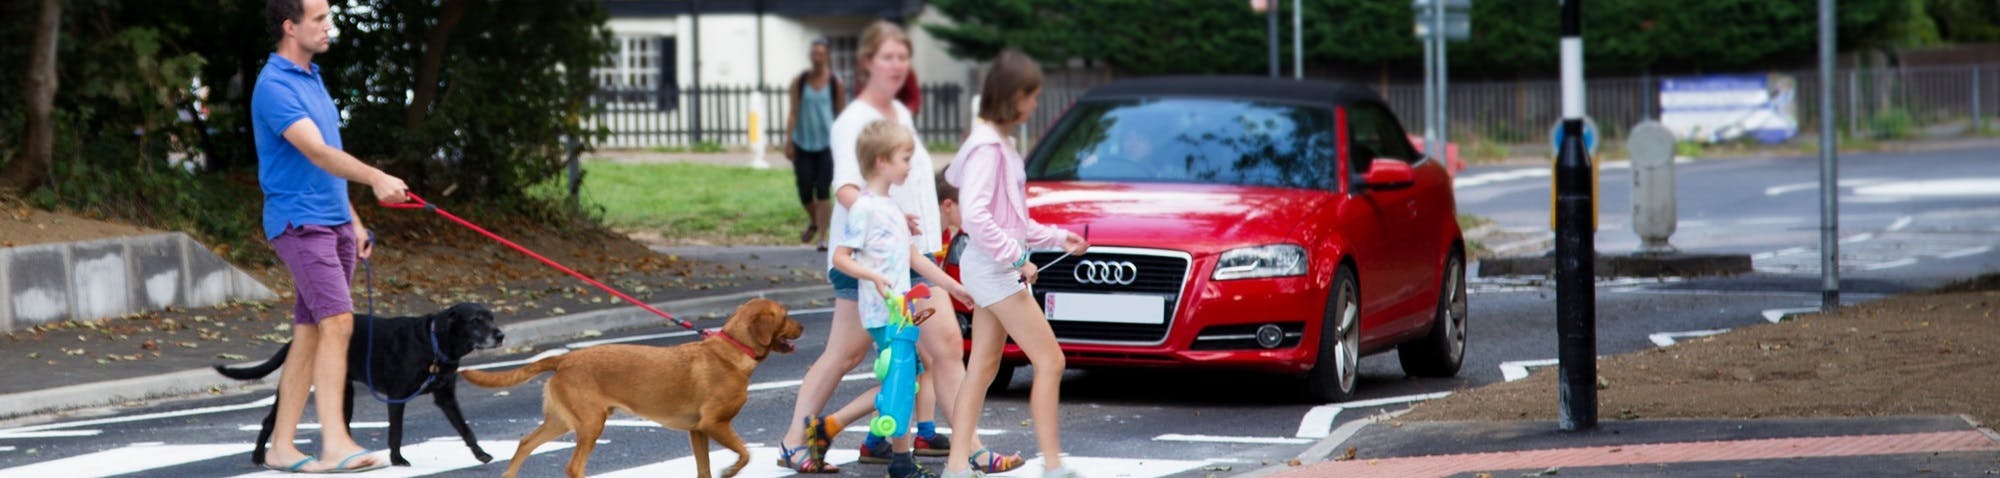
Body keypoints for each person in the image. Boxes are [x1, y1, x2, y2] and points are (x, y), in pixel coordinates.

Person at [778, 20, 1001, 476]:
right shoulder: (855, 120)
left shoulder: (900, 113)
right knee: (847, 355)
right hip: (872, 260)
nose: (897, 65)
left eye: (903, 57)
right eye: (888, 57)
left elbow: (913, 182)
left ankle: (968, 449)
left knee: (944, 349)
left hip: (911, 256)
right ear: (867, 63)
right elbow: (845, 188)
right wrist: (889, 219)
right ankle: (794, 441)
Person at [252, 0, 407, 473]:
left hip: (333, 221)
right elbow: (316, 152)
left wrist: (355, 220)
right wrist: (377, 177)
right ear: (289, 26)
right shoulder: (274, 85)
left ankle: (281, 446)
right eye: (318, 19)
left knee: (311, 333)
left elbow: (328, 161)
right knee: (338, 324)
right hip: (301, 225)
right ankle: (335, 442)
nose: (328, 27)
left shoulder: (311, 78)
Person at [941, 50, 1090, 478]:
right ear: (1013, 96)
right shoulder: (989, 147)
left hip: (989, 264)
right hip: (993, 267)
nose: (1034, 105)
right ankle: (1053, 464)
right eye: (1031, 96)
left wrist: (1058, 239)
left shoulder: (993, 142)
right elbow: (976, 214)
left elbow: (1013, 219)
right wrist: (1017, 257)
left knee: (984, 367)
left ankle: (956, 465)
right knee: (1051, 360)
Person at [829, 120, 938, 478]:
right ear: (881, 161)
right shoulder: (865, 207)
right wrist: (872, 275)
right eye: (904, 158)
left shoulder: (890, 206)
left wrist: (954, 287)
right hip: (883, 311)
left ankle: (868, 440)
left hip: (901, 310)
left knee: (905, 378)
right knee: (902, 380)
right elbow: (841, 257)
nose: (909, 165)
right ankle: (901, 462)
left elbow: (914, 258)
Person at [785, 37, 846, 250]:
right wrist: (789, 141)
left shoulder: (835, 83)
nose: (817, 57)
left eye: (821, 53)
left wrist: (843, 144)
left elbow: (841, 115)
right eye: (814, 53)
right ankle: (813, 220)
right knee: (804, 190)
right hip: (803, 142)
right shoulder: (800, 82)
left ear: (827, 55)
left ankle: (822, 236)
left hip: (827, 145)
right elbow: (793, 112)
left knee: (822, 189)